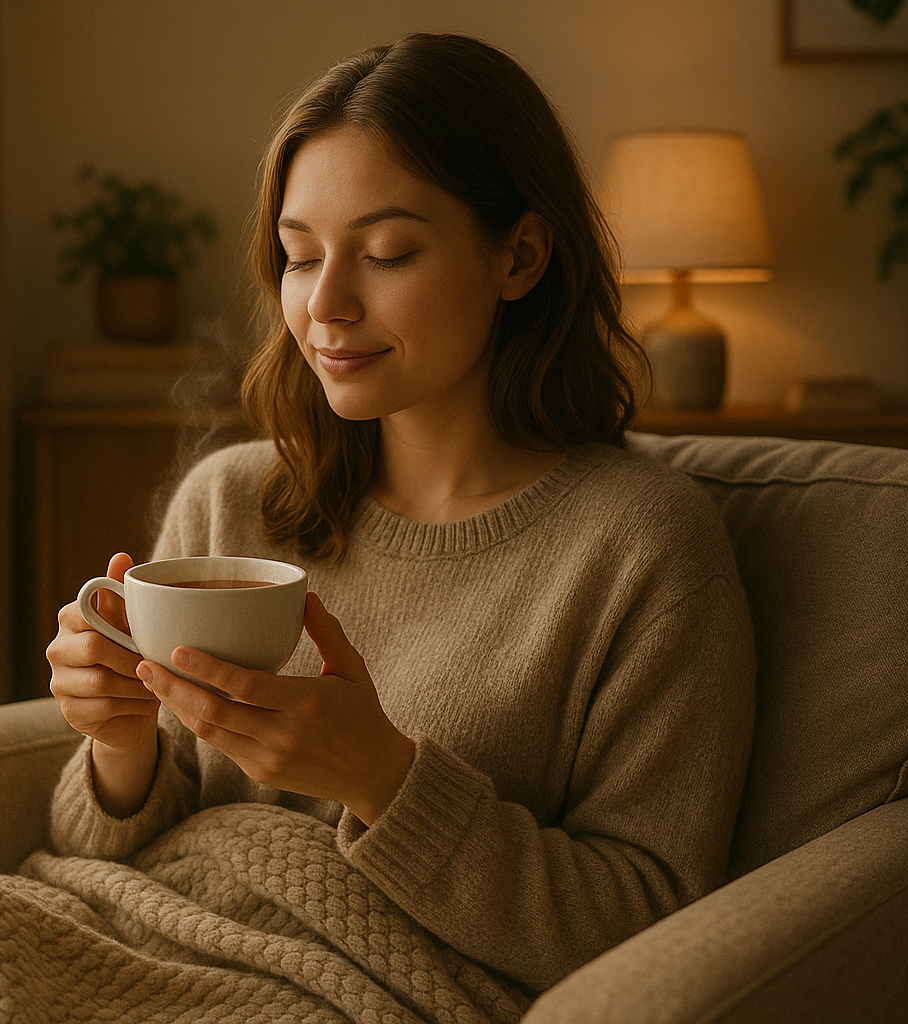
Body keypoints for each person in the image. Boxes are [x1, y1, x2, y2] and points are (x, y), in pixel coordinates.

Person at [45, 31, 756, 996]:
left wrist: (383, 779)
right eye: (300, 258)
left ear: (521, 256)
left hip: (355, 995)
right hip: (137, 944)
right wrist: (118, 740)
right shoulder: (232, 500)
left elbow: (651, 924)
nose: (326, 304)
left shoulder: (641, 548)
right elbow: (111, 850)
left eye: (386, 253)